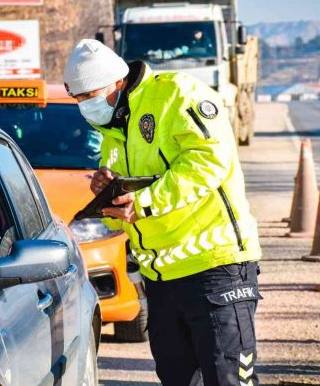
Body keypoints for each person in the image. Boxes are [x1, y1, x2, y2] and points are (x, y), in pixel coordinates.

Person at [63, 39, 262, 386]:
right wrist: (109, 199)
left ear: (118, 81)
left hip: (215, 266)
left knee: (227, 378)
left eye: (90, 94)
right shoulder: (112, 133)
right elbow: (126, 215)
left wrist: (145, 201)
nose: (86, 105)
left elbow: (210, 160)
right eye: (78, 99)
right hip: (162, 277)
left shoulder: (177, 94)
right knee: (177, 378)